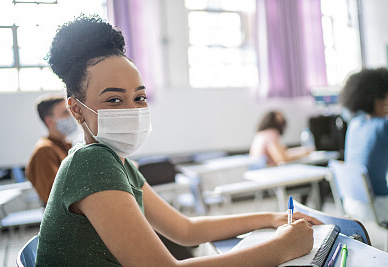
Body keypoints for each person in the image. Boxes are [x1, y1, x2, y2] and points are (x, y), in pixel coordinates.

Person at [36, 15, 320, 266]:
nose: (133, 111)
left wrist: (271, 218)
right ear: (76, 109)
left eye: (139, 98)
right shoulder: (91, 161)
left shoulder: (116, 161)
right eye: (114, 100)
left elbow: (186, 229)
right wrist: (282, 248)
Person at [340, 68, 388, 223]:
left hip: (352, 203)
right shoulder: (383, 126)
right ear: (377, 98)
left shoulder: (354, 124)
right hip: (378, 206)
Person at [25, 94, 78, 205]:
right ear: (50, 121)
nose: (72, 116)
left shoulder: (64, 146)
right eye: (65, 113)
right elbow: (55, 197)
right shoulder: (44, 151)